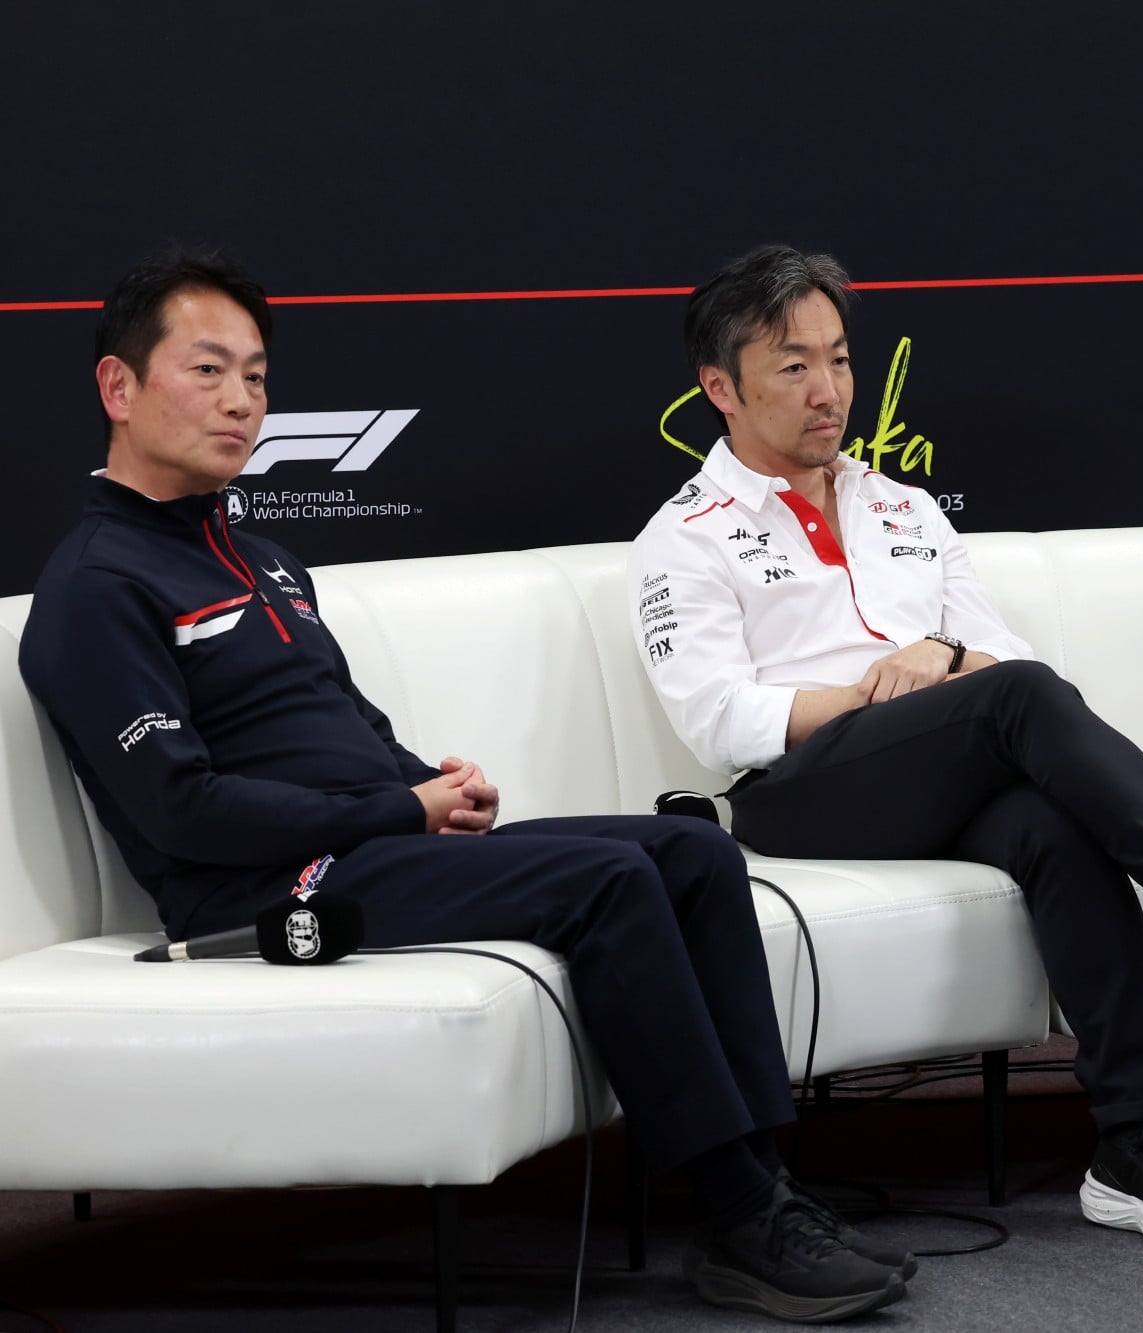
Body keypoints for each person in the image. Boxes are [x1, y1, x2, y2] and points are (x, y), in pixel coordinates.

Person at [17, 249, 912, 1324]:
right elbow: (183, 811)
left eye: (255, 376)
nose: (241, 401)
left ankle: (766, 1180)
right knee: (606, 883)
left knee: (691, 849)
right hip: (256, 896)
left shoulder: (260, 556)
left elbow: (339, 728)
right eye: (207, 371)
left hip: (371, 842)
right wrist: (399, 809)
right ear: (119, 388)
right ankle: (735, 1215)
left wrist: (424, 778)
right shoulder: (94, 585)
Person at [629, 243, 1143, 1245]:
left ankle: (1139, 1144)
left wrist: (936, 656)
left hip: (936, 765)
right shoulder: (683, 535)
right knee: (1020, 701)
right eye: (794, 366)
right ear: (719, 387)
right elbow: (717, 718)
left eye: (841, 359)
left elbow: (1000, 651)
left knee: (1051, 825)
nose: (830, 391)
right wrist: (873, 690)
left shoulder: (900, 507)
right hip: (797, 793)